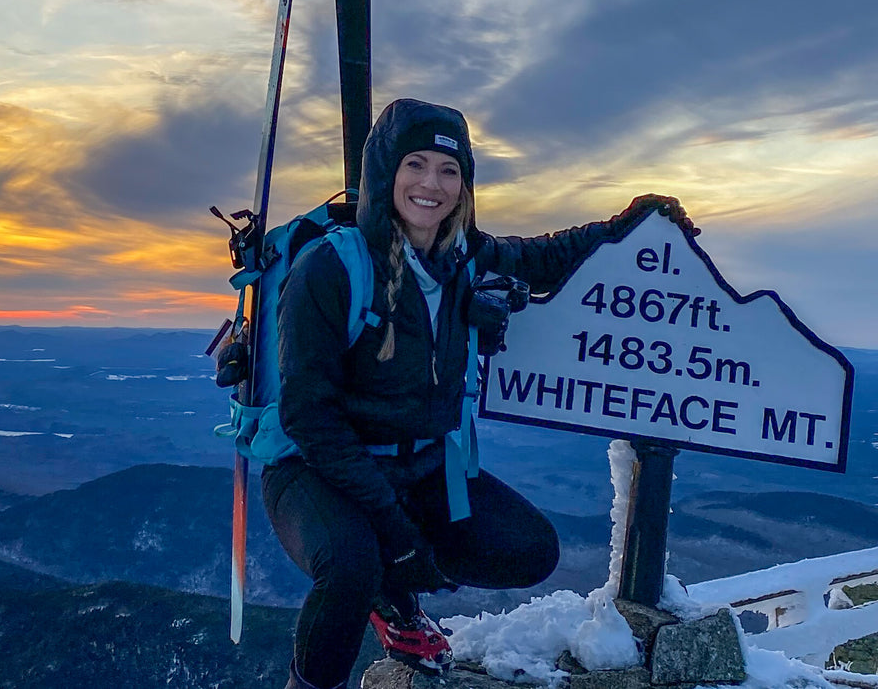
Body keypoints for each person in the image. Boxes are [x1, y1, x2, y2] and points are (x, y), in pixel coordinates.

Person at [265, 98, 696, 689]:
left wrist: (624, 229)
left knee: (529, 549)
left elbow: (543, 258)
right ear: (383, 172)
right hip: (318, 469)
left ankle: (391, 592)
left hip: (421, 464)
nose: (431, 184)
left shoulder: (464, 255)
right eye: (414, 164)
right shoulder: (328, 270)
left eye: (449, 170)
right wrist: (393, 533)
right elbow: (309, 418)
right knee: (350, 567)